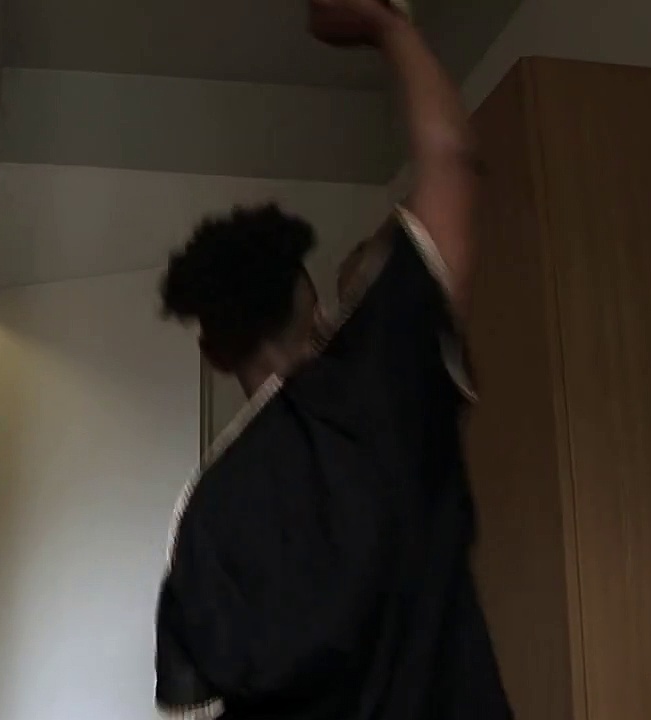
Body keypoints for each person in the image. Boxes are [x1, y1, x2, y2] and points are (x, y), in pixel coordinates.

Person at [153, 0, 512, 718]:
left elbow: (201, 699)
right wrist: (387, 25)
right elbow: (453, 162)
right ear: (314, 308)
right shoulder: (388, 383)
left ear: (214, 353)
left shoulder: (205, 514)